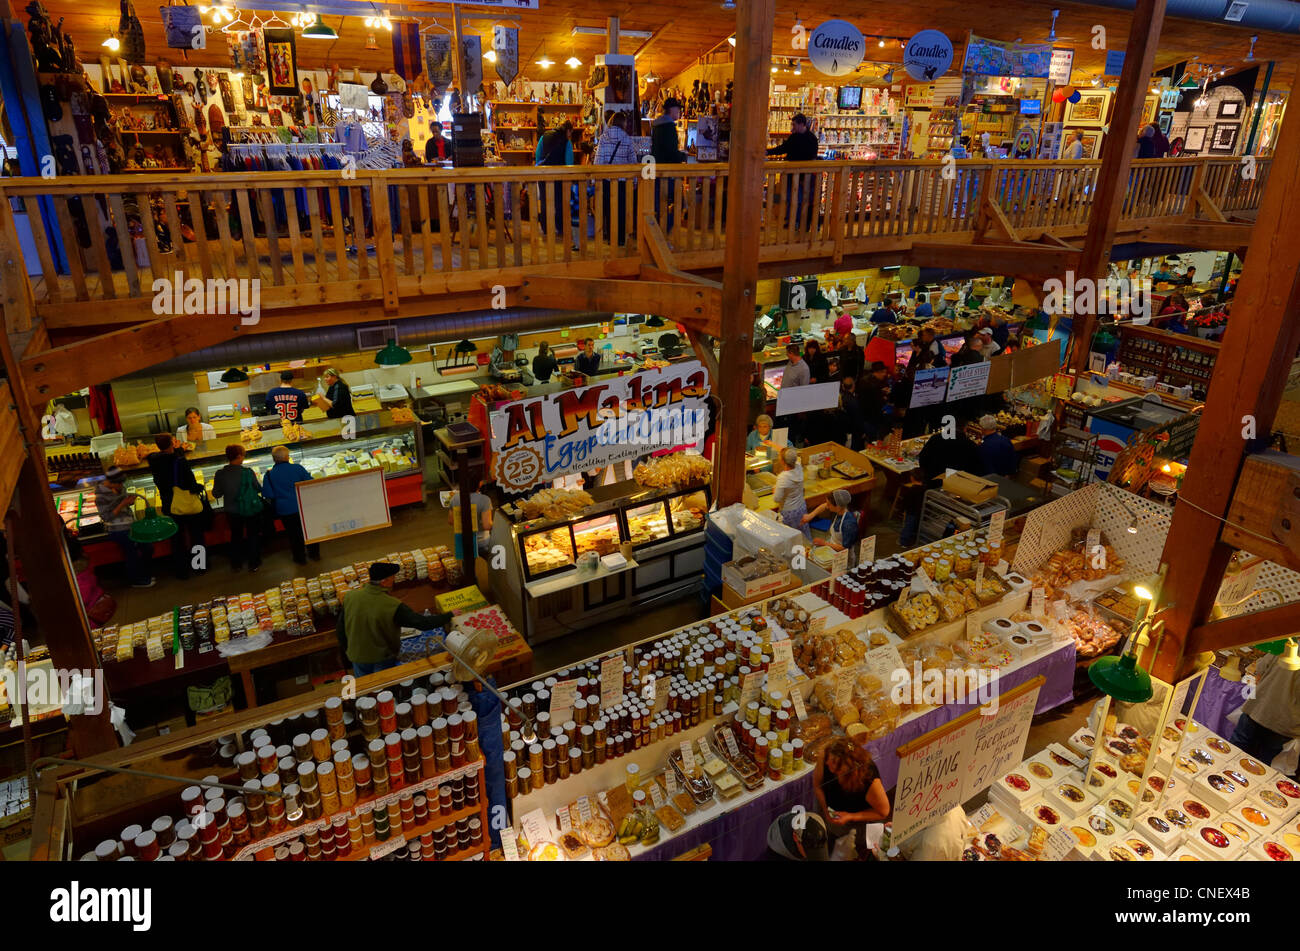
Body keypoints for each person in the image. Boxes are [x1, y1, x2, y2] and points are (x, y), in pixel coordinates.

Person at [336, 562, 453, 677]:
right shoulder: (392, 605)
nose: (394, 580)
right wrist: (449, 615)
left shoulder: (350, 597)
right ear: (384, 581)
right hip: (381, 657)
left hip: (357, 656)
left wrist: (349, 650)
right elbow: (422, 623)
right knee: (385, 688)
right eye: (392, 577)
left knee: (364, 689)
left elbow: (341, 628)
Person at [814, 738, 891, 858]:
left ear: (850, 769)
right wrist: (825, 810)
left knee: (850, 851)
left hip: (856, 822)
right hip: (830, 811)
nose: (828, 763)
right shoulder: (826, 755)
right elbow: (818, 786)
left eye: (835, 763)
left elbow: (883, 812)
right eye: (830, 758)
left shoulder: (869, 781)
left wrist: (850, 816)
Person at [1230, 653, 1300, 776]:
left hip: (1258, 709)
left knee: (1234, 754)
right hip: (1284, 725)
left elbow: (1260, 667)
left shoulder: (1287, 645)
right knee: (1262, 768)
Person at [147, 434, 206, 580]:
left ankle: (181, 571)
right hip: (185, 503)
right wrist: (198, 487)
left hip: (169, 504)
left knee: (176, 538)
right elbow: (189, 483)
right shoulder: (179, 462)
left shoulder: (153, 460)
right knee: (196, 534)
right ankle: (199, 566)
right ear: (172, 443)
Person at [94, 468, 154, 588]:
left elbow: (126, 501)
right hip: (117, 529)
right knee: (132, 554)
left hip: (131, 524)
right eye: (119, 483)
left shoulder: (119, 487)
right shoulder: (100, 496)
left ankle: (143, 573)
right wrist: (123, 504)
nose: (122, 486)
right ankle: (137, 580)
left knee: (147, 547)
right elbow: (106, 517)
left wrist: (130, 501)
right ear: (111, 482)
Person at [262, 445, 319, 564]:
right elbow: (310, 482)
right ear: (287, 457)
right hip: (303, 506)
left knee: (293, 535)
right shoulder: (297, 468)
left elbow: (268, 494)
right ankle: (314, 554)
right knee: (309, 531)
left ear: (274, 459)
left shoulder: (268, 475)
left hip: (285, 510)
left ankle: (300, 558)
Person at [212, 444, 262, 573]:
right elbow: (258, 488)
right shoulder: (248, 472)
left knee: (236, 536)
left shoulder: (220, 474)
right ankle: (254, 563)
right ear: (239, 456)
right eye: (243, 455)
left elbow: (216, 494)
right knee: (252, 535)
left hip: (232, 511)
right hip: (249, 509)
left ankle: (236, 564)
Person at [767, 113, 819, 230]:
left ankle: (796, 221)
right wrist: (768, 152)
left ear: (801, 124)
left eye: (794, 124)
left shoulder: (811, 139)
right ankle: (792, 220)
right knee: (792, 198)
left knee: (799, 199)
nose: (792, 127)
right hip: (792, 174)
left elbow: (811, 159)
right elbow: (783, 148)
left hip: (803, 176)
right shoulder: (798, 137)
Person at [595, 112, 637, 245]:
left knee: (608, 209)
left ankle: (610, 238)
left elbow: (598, 160)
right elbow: (633, 162)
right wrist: (635, 181)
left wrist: (596, 178)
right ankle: (620, 239)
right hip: (623, 182)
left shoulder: (603, 138)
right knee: (621, 210)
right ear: (623, 123)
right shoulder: (627, 139)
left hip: (607, 180)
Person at [651, 98, 687, 231]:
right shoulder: (669, 127)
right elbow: (671, 151)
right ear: (672, 110)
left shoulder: (656, 126)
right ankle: (663, 231)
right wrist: (682, 156)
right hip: (668, 171)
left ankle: (659, 232)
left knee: (660, 204)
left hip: (657, 171)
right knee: (679, 203)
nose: (679, 113)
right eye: (678, 110)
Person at [535, 120, 574, 237]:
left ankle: (546, 228)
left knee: (544, 201)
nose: (570, 136)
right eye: (570, 133)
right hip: (559, 175)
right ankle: (560, 227)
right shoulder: (567, 142)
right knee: (560, 202)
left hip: (543, 173)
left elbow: (538, 155)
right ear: (568, 131)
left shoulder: (544, 136)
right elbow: (569, 161)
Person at [802, 488, 860, 562]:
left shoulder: (849, 524)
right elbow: (824, 506)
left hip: (844, 558)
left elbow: (844, 548)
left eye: (829, 505)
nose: (827, 506)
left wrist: (824, 543)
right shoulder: (840, 510)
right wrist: (810, 516)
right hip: (832, 550)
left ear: (838, 506)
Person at [918, 418, 985, 480]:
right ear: (965, 429)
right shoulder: (971, 445)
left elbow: (922, 458)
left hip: (935, 481)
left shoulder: (935, 439)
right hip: (958, 485)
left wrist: (928, 476)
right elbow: (976, 468)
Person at [772, 447, 810, 538]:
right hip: (801, 507)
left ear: (782, 462)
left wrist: (774, 490)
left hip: (789, 512)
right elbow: (788, 453)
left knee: (790, 538)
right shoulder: (798, 467)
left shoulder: (783, 477)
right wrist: (773, 444)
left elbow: (777, 499)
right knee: (802, 536)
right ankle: (806, 551)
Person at [447, 483, 493, 554]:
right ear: (480, 483)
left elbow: (451, 521)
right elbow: (487, 525)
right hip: (481, 541)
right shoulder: (485, 500)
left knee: (467, 563)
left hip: (463, 541)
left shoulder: (455, 498)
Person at [834, 377, 868, 451]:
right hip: (850, 433)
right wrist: (862, 432)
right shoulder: (854, 401)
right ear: (853, 386)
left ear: (843, 386)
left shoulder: (839, 398)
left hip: (839, 431)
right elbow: (858, 418)